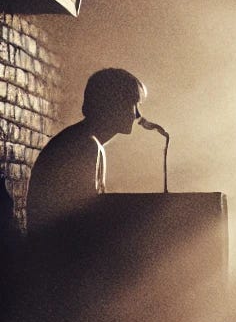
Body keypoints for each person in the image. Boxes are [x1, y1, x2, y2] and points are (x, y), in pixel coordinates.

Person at [26, 67, 147, 236]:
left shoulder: (84, 140)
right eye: (133, 104)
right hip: (58, 253)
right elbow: (85, 219)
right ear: (113, 104)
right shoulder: (85, 145)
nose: (137, 115)